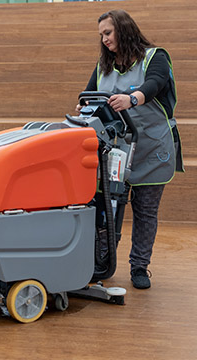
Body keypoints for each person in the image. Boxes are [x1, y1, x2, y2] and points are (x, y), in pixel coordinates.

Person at [76, 9, 184, 289]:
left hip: (152, 147)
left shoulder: (155, 57)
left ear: (123, 30)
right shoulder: (104, 65)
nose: (105, 39)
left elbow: (155, 84)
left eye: (108, 33)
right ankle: (101, 262)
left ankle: (139, 267)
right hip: (117, 151)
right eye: (101, 35)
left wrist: (131, 99)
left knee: (146, 210)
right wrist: (83, 106)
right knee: (108, 208)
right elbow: (87, 92)